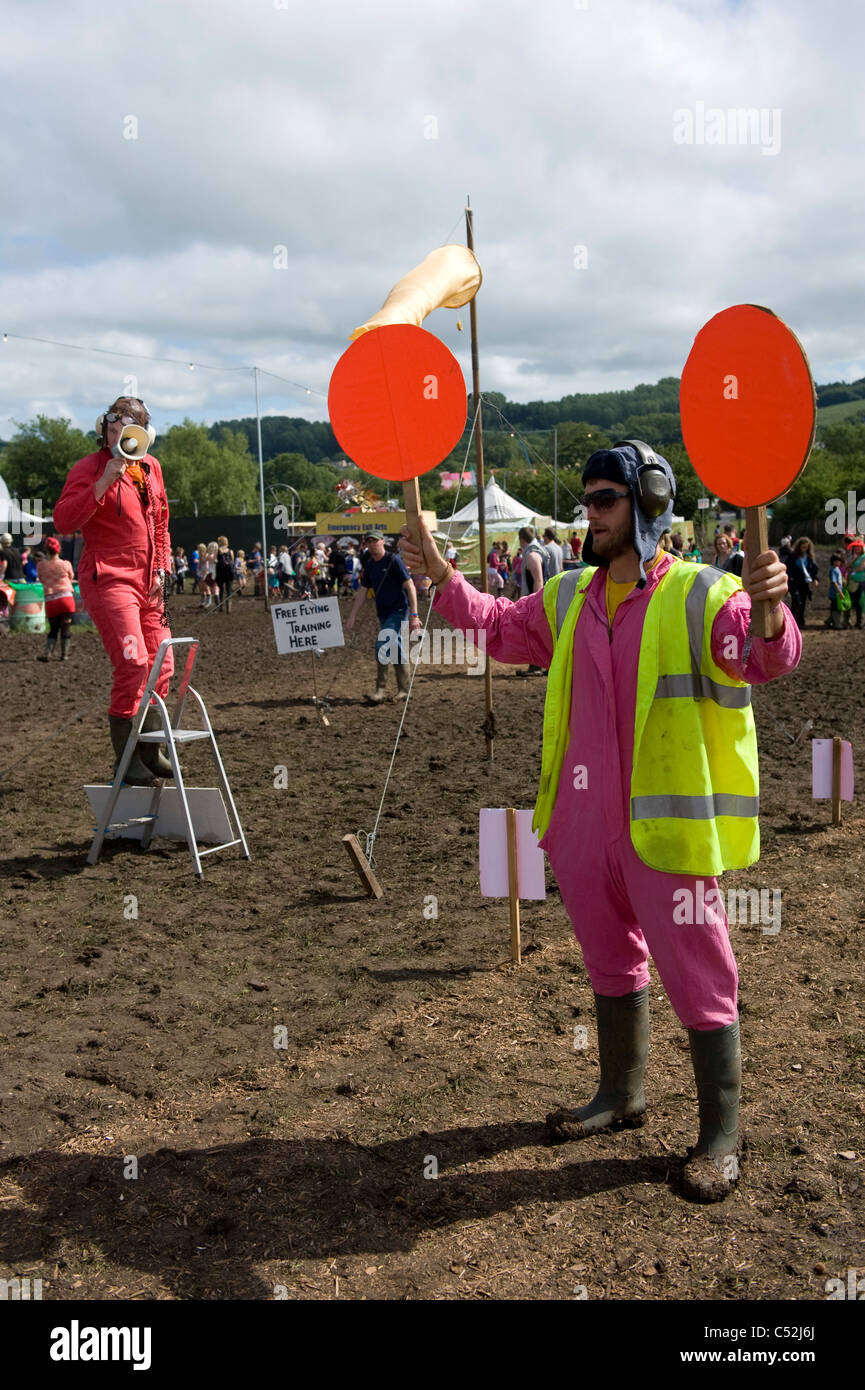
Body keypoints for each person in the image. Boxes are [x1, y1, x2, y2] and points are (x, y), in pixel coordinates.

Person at [401, 439, 800, 1204]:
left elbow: (762, 659)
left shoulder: (703, 594)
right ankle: (620, 1096)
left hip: (667, 832)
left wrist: (773, 607)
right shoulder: (566, 596)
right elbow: (494, 626)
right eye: (585, 500)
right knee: (611, 964)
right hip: (582, 828)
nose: (589, 514)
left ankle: (719, 1135)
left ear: (648, 502)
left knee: (699, 974)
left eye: (603, 500)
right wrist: (445, 578)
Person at [52, 396, 174, 784]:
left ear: (143, 433)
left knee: (163, 664)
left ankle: (150, 750)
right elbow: (64, 520)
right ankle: (127, 760)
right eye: (112, 425)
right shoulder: (88, 468)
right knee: (134, 662)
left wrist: (162, 568)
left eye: (127, 426)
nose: (117, 432)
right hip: (109, 578)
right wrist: (104, 481)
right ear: (104, 429)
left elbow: (161, 523)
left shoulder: (152, 467)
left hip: (150, 582)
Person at [345, 529, 420, 702]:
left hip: (399, 611)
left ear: (383, 541)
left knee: (382, 644)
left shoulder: (393, 561)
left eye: (375, 541)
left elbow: (410, 587)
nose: (372, 544)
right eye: (369, 541)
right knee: (396, 647)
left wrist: (414, 614)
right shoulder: (370, 564)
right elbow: (363, 591)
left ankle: (380, 690)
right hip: (383, 613)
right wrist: (353, 615)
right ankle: (404, 690)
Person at [35, 536, 75, 662]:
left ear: (46, 549)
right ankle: (64, 654)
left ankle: (48, 653)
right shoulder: (65, 564)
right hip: (66, 598)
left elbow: (41, 579)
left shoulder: (41, 565)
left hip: (50, 600)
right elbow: (71, 576)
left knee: (53, 628)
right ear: (59, 550)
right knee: (66, 626)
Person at [518, 525, 549, 674]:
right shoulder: (539, 549)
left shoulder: (532, 554)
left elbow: (538, 580)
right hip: (545, 598)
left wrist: (535, 604)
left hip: (537, 600)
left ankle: (536, 665)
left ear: (521, 539)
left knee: (534, 633)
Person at [785, 537, 818, 630]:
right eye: (803, 547)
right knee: (796, 601)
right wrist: (790, 578)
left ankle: (800, 621)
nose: (804, 549)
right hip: (794, 582)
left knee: (803, 602)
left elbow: (813, 570)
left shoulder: (809, 557)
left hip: (804, 583)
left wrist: (815, 579)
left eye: (806, 547)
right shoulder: (792, 556)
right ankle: (791, 621)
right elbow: (788, 568)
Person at [845, 537, 865, 629]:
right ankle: (847, 621)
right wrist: (853, 559)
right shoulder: (851, 556)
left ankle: (859, 621)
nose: (857, 549)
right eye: (856, 547)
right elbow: (846, 566)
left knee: (859, 602)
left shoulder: (864, 557)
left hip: (860, 581)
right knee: (849, 601)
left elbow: (861, 568)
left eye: (859, 547)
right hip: (851, 581)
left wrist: (851, 569)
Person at [827, 551, 847, 630]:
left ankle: (829, 620)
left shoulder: (837, 569)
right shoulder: (833, 570)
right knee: (836, 608)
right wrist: (840, 592)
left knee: (835, 607)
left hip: (837, 592)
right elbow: (834, 582)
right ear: (832, 561)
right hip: (834, 593)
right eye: (836, 561)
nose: (838, 562)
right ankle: (837, 624)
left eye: (839, 561)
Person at [215, 536, 234, 612]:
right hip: (228, 573)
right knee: (229, 589)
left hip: (220, 572)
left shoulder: (217, 551)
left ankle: (220, 606)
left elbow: (215, 561)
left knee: (220, 589)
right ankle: (228, 607)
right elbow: (232, 562)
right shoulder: (230, 551)